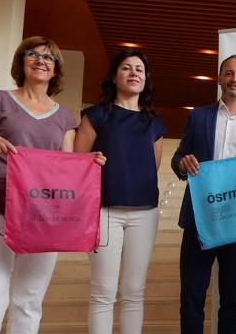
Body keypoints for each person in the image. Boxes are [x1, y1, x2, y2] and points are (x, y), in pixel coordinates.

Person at [0, 36, 82, 334]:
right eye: (32, 54)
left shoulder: (65, 117)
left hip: (42, 215)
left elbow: (65, 169)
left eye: (49, 57)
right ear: (21, 62)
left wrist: (88, 164)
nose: (40, 60)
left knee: (28, 301)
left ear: (56, 70)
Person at [171, 54, 236, 334]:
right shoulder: (198, 116)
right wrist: (182, 164)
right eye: (229, 73)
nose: (234, 79)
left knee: (233, 297)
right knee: (191, 295)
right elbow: (179, 158)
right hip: (199, 218)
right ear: (219, 79)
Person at [74, 48, 167, 334]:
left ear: (145, 78)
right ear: (114, 76)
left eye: (139, 69)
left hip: (145, 213)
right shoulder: (96, 115)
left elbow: (153, 165)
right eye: (126, 68)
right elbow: (76, 163)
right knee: (103, 290)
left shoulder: (154, 123)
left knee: (134, 290)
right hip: (104, 211)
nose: (134, 73)